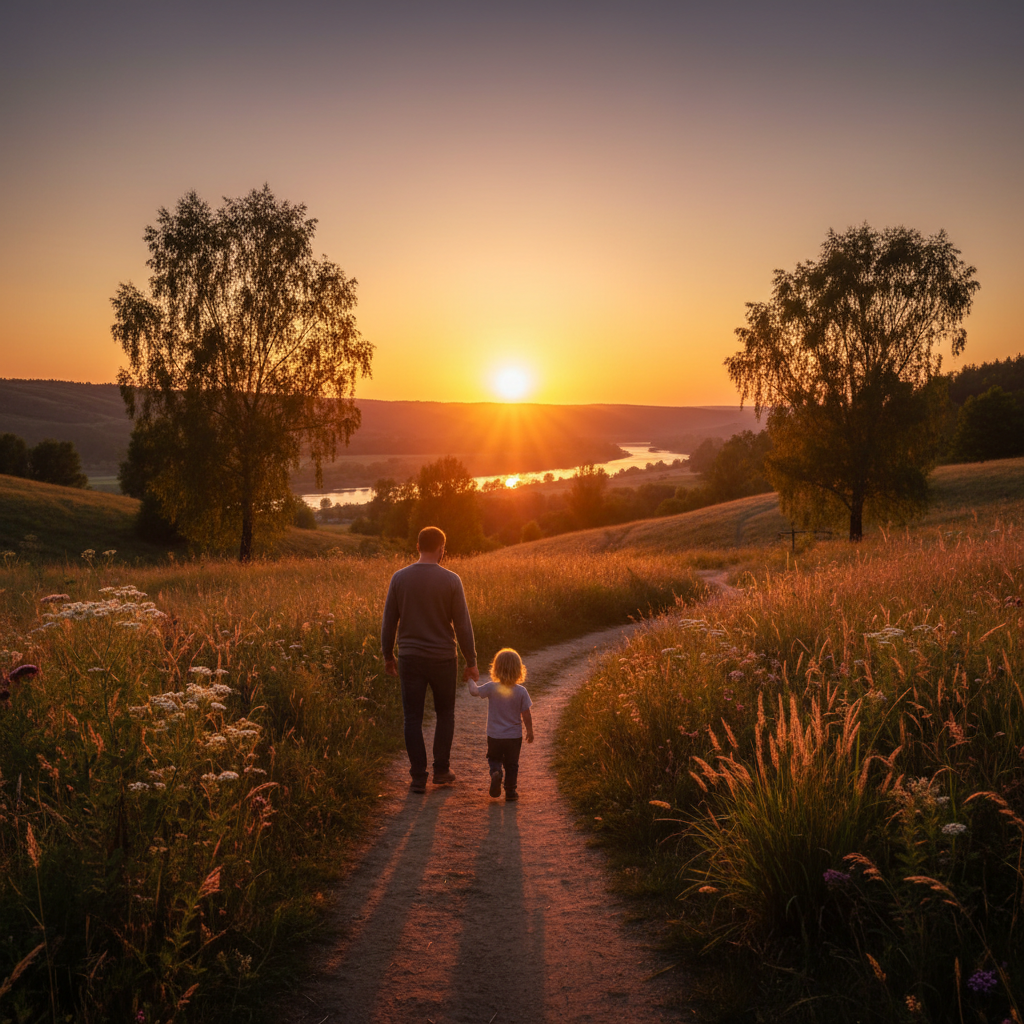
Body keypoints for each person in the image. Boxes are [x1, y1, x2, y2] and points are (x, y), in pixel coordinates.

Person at [381, 526, 479, 793]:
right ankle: (442, 770)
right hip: (443, 658)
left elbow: (389, 622)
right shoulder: (451, 580)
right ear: (441, 548)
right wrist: (471, 660)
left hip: (410, 658)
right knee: (445, 713)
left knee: (412, 717)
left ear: (417, 547)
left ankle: (417, 777)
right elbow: (462, 625)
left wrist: (388, 655)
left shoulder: (399, 578)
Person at [468, 647, 534, 802]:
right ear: (519, 670)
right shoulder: (521, 691)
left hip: (494, 735)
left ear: (496, 668)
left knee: (494, 758)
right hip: (513, 737)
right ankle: (510, 792)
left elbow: (474, 692)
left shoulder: (491, 687)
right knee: (512, 764)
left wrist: (470, 679)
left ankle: (496, 772)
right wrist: (530, 731)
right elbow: (526, 714)